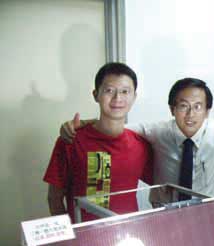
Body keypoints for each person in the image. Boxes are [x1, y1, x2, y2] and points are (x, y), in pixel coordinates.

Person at [60, 78, 214, 202]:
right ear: (172, 109)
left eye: (198, 107)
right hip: (165, 211)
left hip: (207, 210)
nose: (191, 114)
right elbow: (115, 124)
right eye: (183, 106)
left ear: (207, 111)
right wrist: (82, 124)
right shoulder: (159, 131)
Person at [43, 62, 153, 222]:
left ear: (134, 97)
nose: (118, 98)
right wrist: (68, 238)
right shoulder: (71, 140)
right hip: (84, 241)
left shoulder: (142, 145)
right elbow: (54, 198)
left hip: (127, 238)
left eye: (125, 91)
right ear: (96, 94)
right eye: (109, 91)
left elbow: (160, 188)